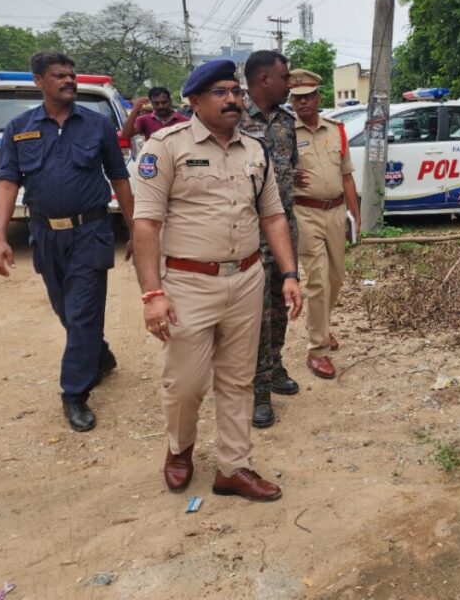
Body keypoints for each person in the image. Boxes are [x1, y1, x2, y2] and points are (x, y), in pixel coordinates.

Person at [131, 59, 302, 502]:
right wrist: (153, 294)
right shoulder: (164, 147)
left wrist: (288, 273)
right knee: (185, 383)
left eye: (236, 91)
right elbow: (146, 224)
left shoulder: (254, 150)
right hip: (189, 283)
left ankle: (234, 467)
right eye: (221, 92)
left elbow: (274, 216)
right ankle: (179, 448)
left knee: (238, 379)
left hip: (246, 278)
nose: (232, 99)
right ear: (195, 101)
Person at [0, 52, 135, 432]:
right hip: (44, 234)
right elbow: (7, 182)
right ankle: (98, 355)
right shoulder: (19, 128)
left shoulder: (97, 125)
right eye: (60, 76)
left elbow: (120, 178)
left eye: (72, 75)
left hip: (91, 231)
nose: (69, 81)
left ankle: (74, 393)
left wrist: (137, 229)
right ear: (39, 80)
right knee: (67, 312)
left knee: (83, 312)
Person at [239, 50, 299, 427]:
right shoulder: (234, 120)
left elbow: (291, 169)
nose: (290, 83)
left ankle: (274, 365)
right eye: (285, 77)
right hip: (249, 235)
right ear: (264, 80)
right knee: (255, 316)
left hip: (285, 230)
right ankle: (256, 390)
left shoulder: (285, 121)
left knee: (283, 304)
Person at [288, 69, 360, 380]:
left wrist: (356, 216)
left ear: (318, 98)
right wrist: (286, 177)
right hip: (305, 213)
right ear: (291, 100)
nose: (303, 102)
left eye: (308, 96)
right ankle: (317, 350)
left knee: (337, 278)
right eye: (297, 98)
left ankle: (322, 326)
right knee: (317, 280)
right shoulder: (285, 132)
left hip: (336, 211)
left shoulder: (337, 130)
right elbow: (270, 174)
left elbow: (346, 175)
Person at [121, 87, 188, 140]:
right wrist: (135, 109)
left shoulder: (185, 121)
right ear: (151, 103)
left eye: (164, 102)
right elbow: (126, 134)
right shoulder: (144, 120)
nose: (161, 106)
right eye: (156, 103)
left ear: (170, 101)